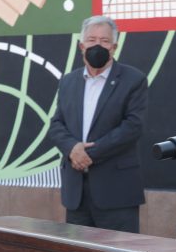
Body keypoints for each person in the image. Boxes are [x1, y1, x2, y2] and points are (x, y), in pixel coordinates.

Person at [47, 15, 148, 232]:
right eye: (92, 40)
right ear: (81, 46)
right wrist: (72, 149)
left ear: (114, 47)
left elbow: (132, 126)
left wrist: (88, 154)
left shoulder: (133, 79)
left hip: (117, 192)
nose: (97, 46)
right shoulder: (68, 81)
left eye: (104, 41)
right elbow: (56, 124)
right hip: (76, 192)